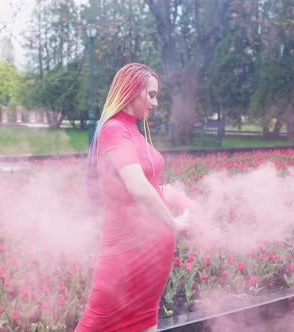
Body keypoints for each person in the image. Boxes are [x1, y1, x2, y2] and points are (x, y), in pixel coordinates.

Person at [77, 63, 189, 332]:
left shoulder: (134, 131)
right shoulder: (114, 129)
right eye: (151, 95)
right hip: (125, 259)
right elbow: (137, 187)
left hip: (150, 264)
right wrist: (173, 224)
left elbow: (152, 185)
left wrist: (184, 200)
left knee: (144, 326)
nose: (156, 102)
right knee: (95, 325)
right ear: (133, 91)